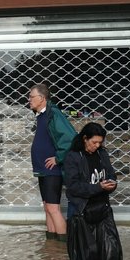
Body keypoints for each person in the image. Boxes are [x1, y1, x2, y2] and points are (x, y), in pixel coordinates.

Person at [27, 83, 77, 240]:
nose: (29, 100)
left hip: (52, 170)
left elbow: (70, 138)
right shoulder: (42, 115)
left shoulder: (53, 113)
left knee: (53, 208)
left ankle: (63, 246)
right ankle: (51, 246)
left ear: (42, 98)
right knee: (47, 207)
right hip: (43, 170)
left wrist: (58, 157)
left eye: (31, 97)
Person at [63, 122, 118, 220]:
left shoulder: (102, 154)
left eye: (100, 142)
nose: (97, 145)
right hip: (80, 208)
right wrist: (99, 186)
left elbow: (111, 174)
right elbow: (73, 186)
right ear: (85, 139)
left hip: (101, 207)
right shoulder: (73, 156)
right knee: (80, 235)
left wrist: (111, 184)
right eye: (94, 142)